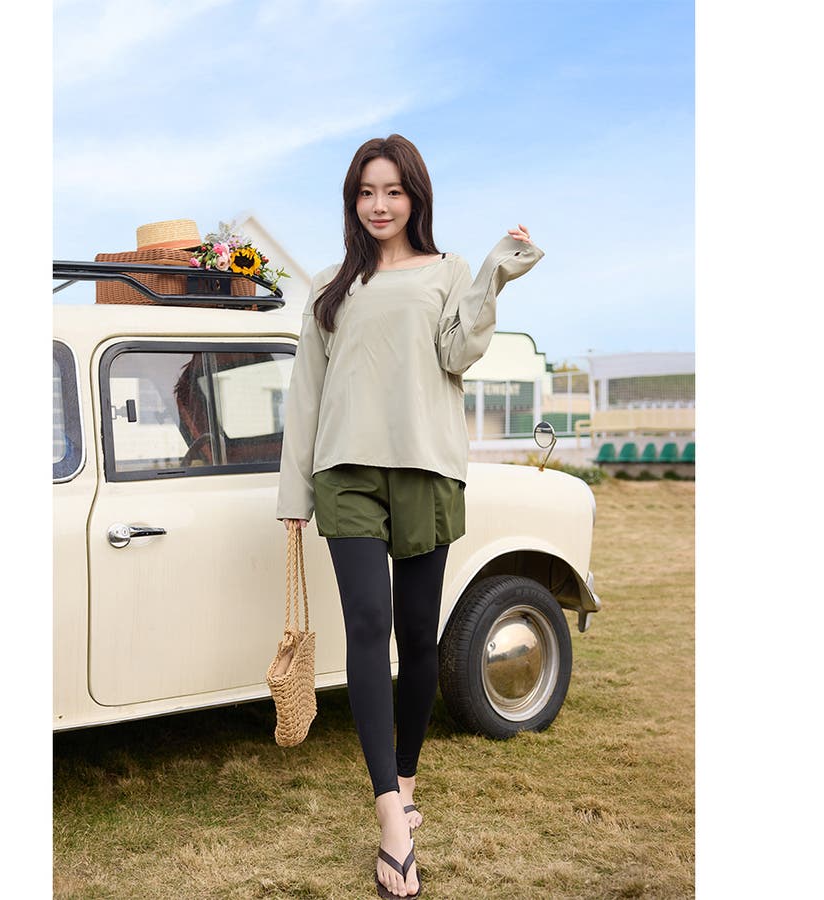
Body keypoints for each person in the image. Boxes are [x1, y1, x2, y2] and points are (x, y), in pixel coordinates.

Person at [275, 133, 544, 898]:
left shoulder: (448, 271)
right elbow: (306, 395)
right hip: (345, 473)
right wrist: (294, 496)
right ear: (352, 201)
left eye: (392, 190)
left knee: (418, 636)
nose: (379, 204)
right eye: (366, 192)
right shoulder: (329, 287)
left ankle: (406, 778)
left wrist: (494, 272)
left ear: (415, 197)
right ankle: (391, 818)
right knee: (368, 627)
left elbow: (459, 354)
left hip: (426, 467)